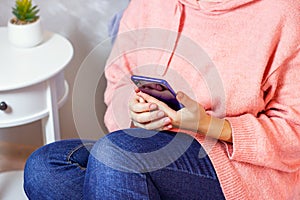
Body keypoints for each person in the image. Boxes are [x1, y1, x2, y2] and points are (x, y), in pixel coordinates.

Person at [24, 0, 300, 199]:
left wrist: (207, 124)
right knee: (45, 167)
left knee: (116, 156)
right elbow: (120, 78)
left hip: (237, 168)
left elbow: (294, 133)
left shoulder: (283, 13)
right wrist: (133, 111)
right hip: (143, 146)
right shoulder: (148, 4)